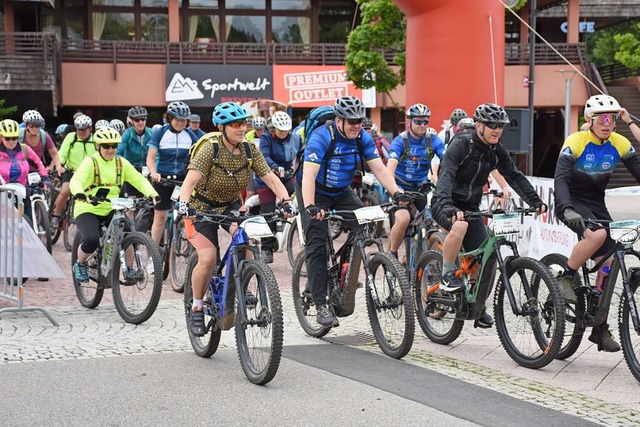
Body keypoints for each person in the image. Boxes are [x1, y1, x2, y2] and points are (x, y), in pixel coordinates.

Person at [177, 102, 294, 336]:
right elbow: (189, 182)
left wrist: (286, 200)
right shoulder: (210, 149)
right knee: (208, 258)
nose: (242, 128)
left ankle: (246, 278)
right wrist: (184, 205)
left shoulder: (250, 149)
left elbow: (269, 178)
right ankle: (198, 307)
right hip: (200, 207)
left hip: (229, 206)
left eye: (244, 123)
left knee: (247, 238)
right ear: (222, 127)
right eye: (236, 124)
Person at [431, 103, 547, 329]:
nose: (497, 130)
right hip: (445, 203)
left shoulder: (496, 150)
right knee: (460, 226)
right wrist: (447, 205)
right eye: (492, 125)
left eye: (501, 126)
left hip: (472, 206)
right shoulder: (461, 144)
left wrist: (534, 200)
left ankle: (476, 307)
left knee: (485, 258)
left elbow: (513, 175)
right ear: (478, 126)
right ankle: (447, 275)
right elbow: (446, 175)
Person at [298, 95, 410, 327]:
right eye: (351, 121)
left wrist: (396, 192)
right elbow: (308, 176)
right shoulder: (322, 137)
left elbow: (378, 168)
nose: (356, 125)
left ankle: (344, 274)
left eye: (359, 120)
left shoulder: (362, 137)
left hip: (341, 190)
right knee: (317, 245)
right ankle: (321, 305)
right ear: (339, 120)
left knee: (364, 226)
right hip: (314, 192)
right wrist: (310, 206)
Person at [554, 94, 640, 353]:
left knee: (612, 265)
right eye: (602, 118)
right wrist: (567, 209)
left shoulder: (620, 143)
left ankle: (599, 324)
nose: (607, 123)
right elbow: (560, 179)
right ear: (589, 119)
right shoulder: (576, 141)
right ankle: (566, 277)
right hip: (571, 202)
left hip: (596, 203)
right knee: (597, 236)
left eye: (612, 118)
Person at [69, 127, 158, 282]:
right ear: (98, 146)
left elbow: (138, 179)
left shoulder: (121, 163)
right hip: (88, 207)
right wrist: (79, 193)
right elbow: (76, 181)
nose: (111, 150)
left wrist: (152, 193)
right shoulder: (90, 162)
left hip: (111, 207)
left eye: (114, 146)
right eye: (106, 146)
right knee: (91, 239)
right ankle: (80, 263)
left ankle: (129, 270)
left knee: (129, 234)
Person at [386, 103, 445, 257]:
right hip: (400, 187)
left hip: (420, 188)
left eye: (425, 122)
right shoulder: (401, 141)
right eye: (418, 121)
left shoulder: (432, 141)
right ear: (409, 122)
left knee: (432, 219)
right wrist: (396, 191)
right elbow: (389, 169)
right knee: (404, 219)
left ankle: (425, 259)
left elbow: (448, 160)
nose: (422, 125)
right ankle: (391, 254)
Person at [146, 101, 198, 263]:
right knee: (160, 218)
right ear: (169, 118)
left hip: (183, 182)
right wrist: (153, 172)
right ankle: (152, 258)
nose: (180, 123)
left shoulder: (190, 135)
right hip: (163, 180)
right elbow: (151, 157)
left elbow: (197, 157)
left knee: (187, 216)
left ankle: (186, 246)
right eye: (177, 119)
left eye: (183, 120)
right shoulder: (160, 133)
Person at [255, 111, 298, 262]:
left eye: (286, 130)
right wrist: (274, 166)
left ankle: (284, 211)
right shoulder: (266, 138)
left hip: (285, 176)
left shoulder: (294, 138)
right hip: (267, 178)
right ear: (274, 128)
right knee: (268, 213)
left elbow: (302, 152)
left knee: (298, 190)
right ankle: (266, 248)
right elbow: (264, 156)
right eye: (280, 130)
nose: (283, 133)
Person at [51, 114, 95, 230]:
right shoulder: (71, 137)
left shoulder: (95, 140)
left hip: (87, 174)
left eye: (83, 129)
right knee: (66, 190)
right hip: (70, 171)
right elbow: (62, 153)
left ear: (90, 129)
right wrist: (59, 166)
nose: (80, 132)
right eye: (78, 129)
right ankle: (56, 214)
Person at [0, 119, 50, 221]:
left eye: (14, 138)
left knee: (28, 222)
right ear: (1, 137)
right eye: (8, 138)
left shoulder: (24, 149)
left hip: (22, 191)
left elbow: (38, 163)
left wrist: (45, 178)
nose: (11, 142)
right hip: (3, 193)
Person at [118, 106, 153, 204]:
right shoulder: (127, 134)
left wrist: (154, 169)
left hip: (147, 169)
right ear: (132, 121)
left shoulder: (152, 133)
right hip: (132, 169)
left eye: (143, 119)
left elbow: (157, 154)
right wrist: (126, 166)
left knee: (149, 200)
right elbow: (118, 152)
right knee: (131, 201)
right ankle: (130, 219)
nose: (140, 122)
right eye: (137, 120)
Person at [20, 110, 64, 176]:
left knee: (47, 185)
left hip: (38, 171)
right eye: (31, 126)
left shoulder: (44, 135)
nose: (34, 128)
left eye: (37, 125)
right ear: (26, 126)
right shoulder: (19, 135)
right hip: (21, 171)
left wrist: (58, 167)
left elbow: (54, 153)